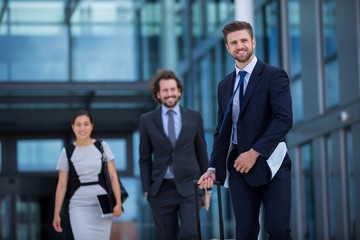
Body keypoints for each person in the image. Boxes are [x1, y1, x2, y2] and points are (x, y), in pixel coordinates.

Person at [197, 21, 293, 240]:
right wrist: (213, 167)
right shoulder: (225, 85)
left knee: (278, 229)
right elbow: (222, 131)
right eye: (234, 42)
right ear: (227, 48)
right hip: (239, 167)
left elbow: (284, 120)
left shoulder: (274, 76)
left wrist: (254, 152)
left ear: (253, 42)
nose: (239, 46)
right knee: (245, 232)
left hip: (272, 163)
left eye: (243, 40)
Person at [139, 69, 209, 240]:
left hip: (190, 186)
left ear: (179, 91)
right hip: (160, 189)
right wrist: (147, 189)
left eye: (172, 89)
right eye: (165, 90)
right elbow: (144, 158)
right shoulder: (147, 120)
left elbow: (202, 152)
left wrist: (207, 188)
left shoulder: (194, 117)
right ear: (158, 94)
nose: (169, 94)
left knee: (189, 233)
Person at [52, 109, 123, 239]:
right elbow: (61, 185)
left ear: (92, 126)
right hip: (79, 206)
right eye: (78, 124)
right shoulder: (66, 152)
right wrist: (56, 213)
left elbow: (113, 177)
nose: (82, 128)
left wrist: (118, 203)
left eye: (86, 124)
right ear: (73, 127)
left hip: (103, 205)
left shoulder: (102, 146)